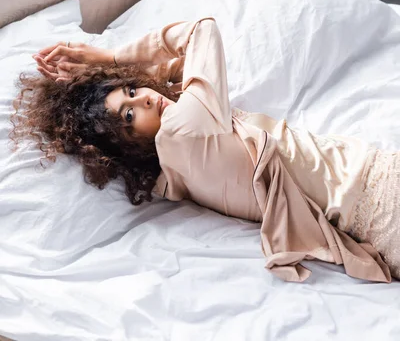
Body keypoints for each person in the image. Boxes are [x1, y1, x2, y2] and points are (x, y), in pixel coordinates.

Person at [11, 18, 398, 283]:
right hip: (370, 190)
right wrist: (109, 58)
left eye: (131, 91)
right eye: (129, 116)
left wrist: (100, 71)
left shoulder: (172, 170)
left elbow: (172, 72)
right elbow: (201, 31)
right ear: (125, 147)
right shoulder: (180, 133)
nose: (144, 101)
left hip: (365, 190)